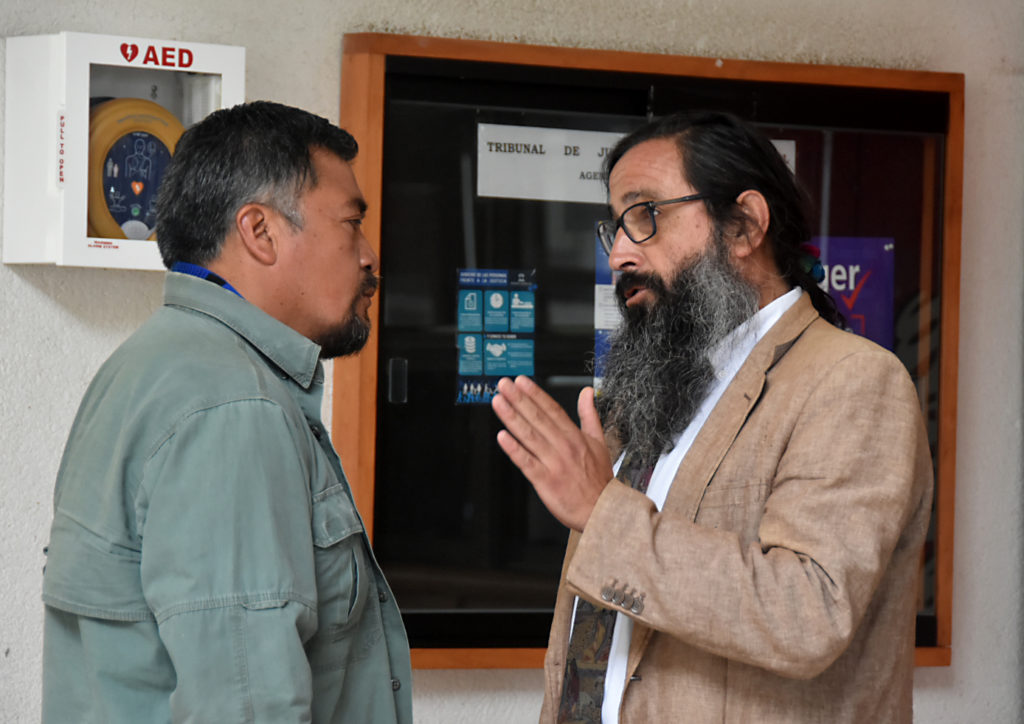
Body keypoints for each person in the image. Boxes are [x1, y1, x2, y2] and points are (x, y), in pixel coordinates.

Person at [491, 110, 933, 723]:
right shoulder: (650, 390)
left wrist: (602, 513)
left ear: (744, 225)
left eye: (645, 215)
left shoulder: (852, 381)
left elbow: (808, 614)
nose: (619, 254)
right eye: (615, 227)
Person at [41, 101, 412, 723]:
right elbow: (244, 705)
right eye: (351, 223)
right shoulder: (233, 406)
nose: (369, 255)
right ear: (259, 232)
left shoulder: (150, 365)